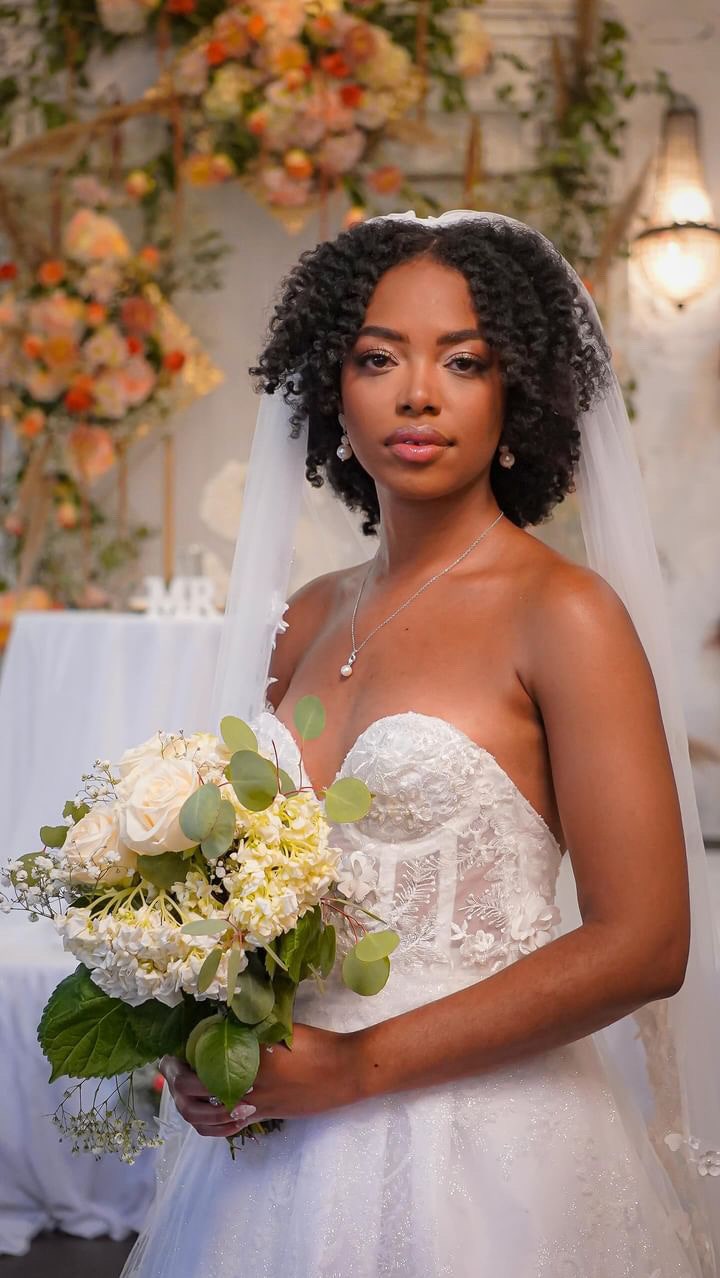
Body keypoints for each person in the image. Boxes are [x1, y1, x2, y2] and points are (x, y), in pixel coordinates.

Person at [121, 212, 718, 1277]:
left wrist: (354, 1066)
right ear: (327, 385)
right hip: (281, 1154)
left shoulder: (566, 614)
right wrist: (206, 1033)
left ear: (518, 390)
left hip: (488, 1156)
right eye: (377, 357)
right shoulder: (305, 617)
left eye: (465, 360)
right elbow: (241, 887)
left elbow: (646, 942)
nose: (417, 394)